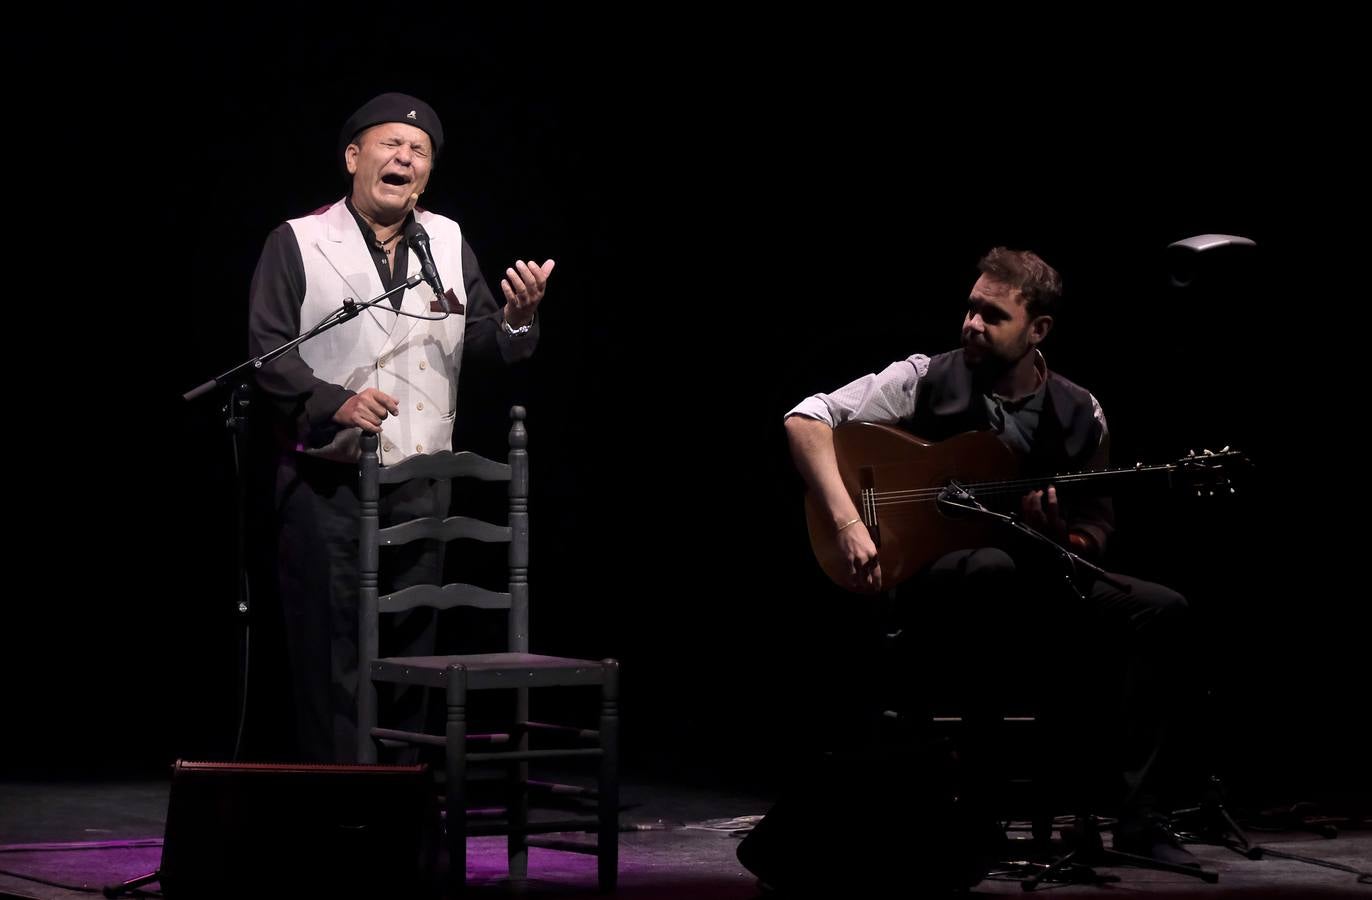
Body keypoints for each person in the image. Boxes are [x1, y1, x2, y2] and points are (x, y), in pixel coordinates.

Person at [783, 247, 1198, 866]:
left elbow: (1096, 524)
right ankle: (975, 810)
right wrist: (848, 520)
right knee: (989, 572)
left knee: (1164, 610)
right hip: (942, 584)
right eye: (970, 309)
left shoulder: (1082, 412)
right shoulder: (924, 376)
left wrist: (1065, 538)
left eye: (992, 315)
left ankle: (1139, 818)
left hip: (1041, 577)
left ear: (1039, 330)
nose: (971, 324)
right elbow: (806, 419)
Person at [247, 92, 553, 764]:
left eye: (419, 152)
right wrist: (333, 401)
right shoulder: (298, 241)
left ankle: (403, 818)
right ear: (354, 157)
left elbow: (478, 340)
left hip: (421, 482)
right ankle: (337, 817)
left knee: (414, 654)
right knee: (333, 659)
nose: (405, 158)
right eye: (391, 145)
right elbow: (268, 351)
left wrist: (519, 319)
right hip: (326, 482)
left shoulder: (444, 240)